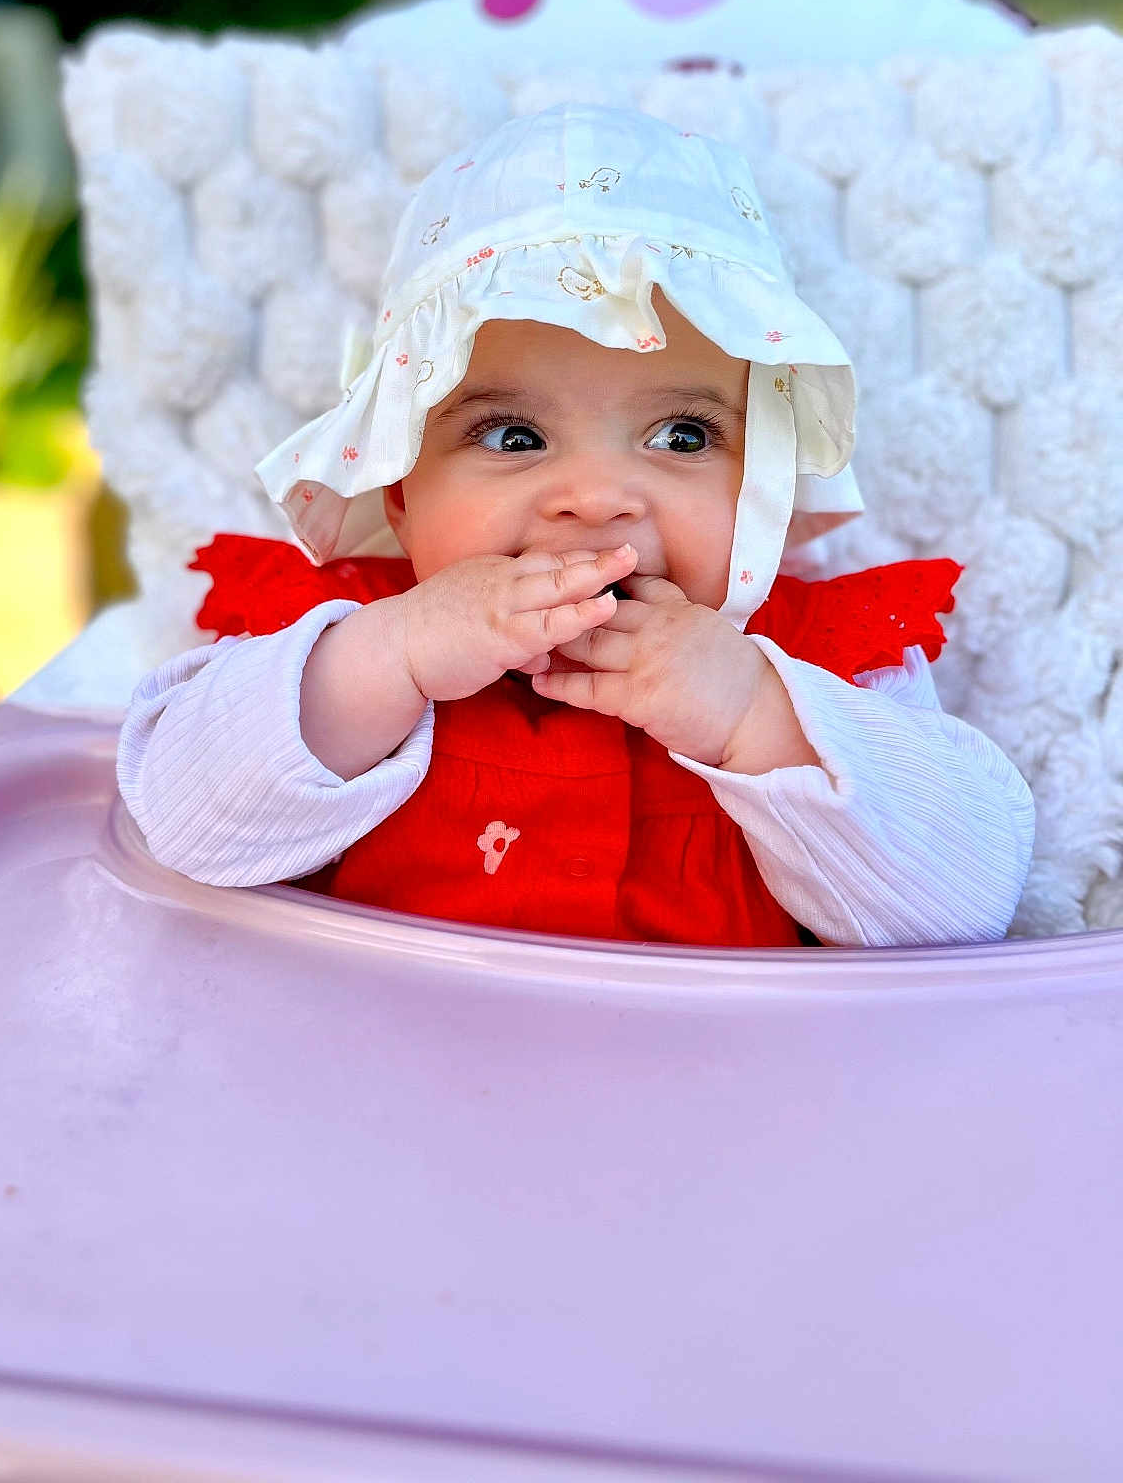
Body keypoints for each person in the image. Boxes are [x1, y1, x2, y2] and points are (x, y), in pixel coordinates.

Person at [117, 105, 1033, 947]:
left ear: (767, 485)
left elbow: (964, 907)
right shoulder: (337, 640)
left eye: (683, 436)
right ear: (398, 490)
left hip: (732, 1097)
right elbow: (180, 826)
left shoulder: (821, 665)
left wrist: (752, 712)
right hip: (393, 1082)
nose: (596, 499)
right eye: (514, 436)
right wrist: (388, 660)